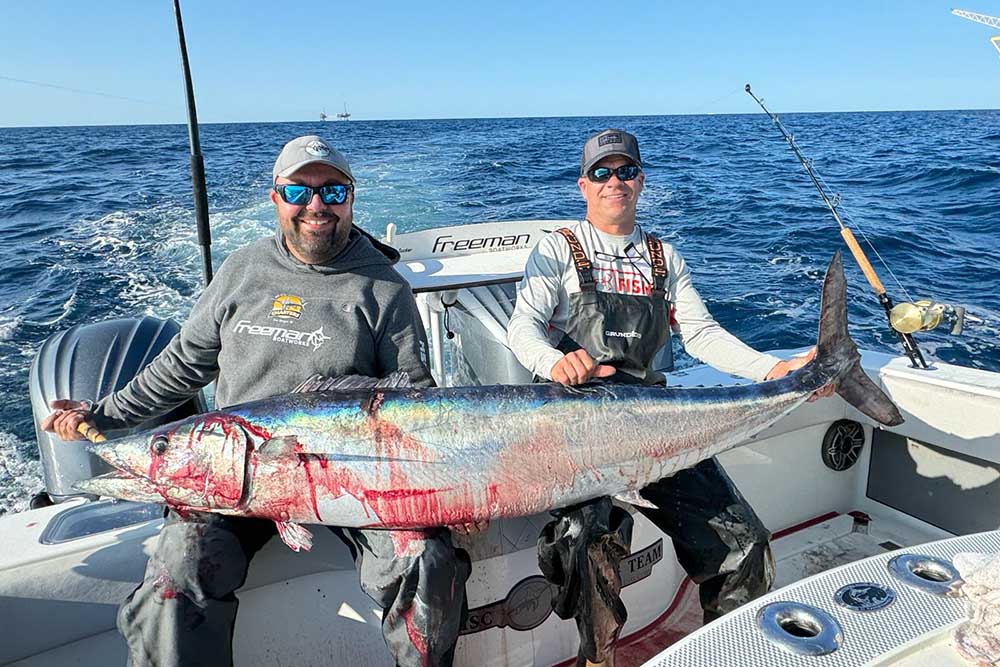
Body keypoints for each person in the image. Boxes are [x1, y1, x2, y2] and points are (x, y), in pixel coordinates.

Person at [41, 135, 472, 667]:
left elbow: (417, 405)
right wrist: (100, 413)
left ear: (351, 199)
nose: (316, 206)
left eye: (332, 192)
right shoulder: (242, 270)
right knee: (179, 567)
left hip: (350, 477)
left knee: (427, 559)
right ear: (276, 198)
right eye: (299, 191)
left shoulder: (384, 288)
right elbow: (180, 366)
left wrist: (449, 490)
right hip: (233, 475)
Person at [507, 128, 829, 666]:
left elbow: (701, 334)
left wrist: (776, 367)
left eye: (626, 171)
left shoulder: (664, 258)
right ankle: (598, 657)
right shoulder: (558, 249)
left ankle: (731, 650)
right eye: (603, 173)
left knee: (743, 543)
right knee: (587, 543)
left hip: (658, 426)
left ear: (641, 181)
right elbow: (523, 329)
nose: (616, 182)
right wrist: (554, 361)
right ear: (583, 186)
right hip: (581, 427)